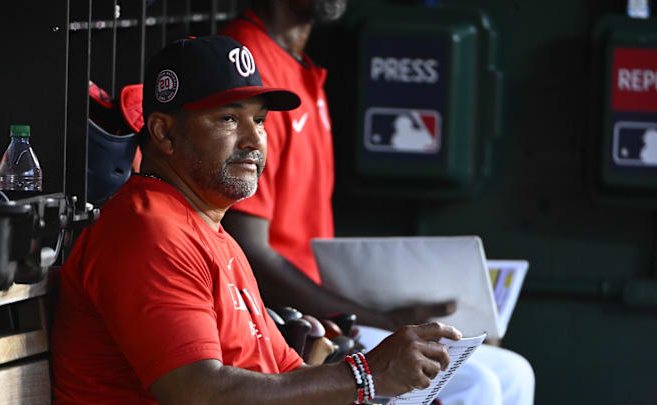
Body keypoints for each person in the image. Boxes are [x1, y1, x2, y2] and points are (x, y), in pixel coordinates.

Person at [51, 35, 463, 404]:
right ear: (164, 133)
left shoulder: (213, 233)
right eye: (229, 118)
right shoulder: (148, 231)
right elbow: (198, 392)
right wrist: (363, 376)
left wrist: (368, 386)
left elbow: (288, 375)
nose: (253, 140)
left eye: (260, 120)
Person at [220, 1, 535, 404]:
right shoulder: (248, 62)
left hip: (325, 302)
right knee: (475, 383)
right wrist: (384, 321)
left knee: (512, 373)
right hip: (287, 322)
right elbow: (249, 252)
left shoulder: (298, 64)